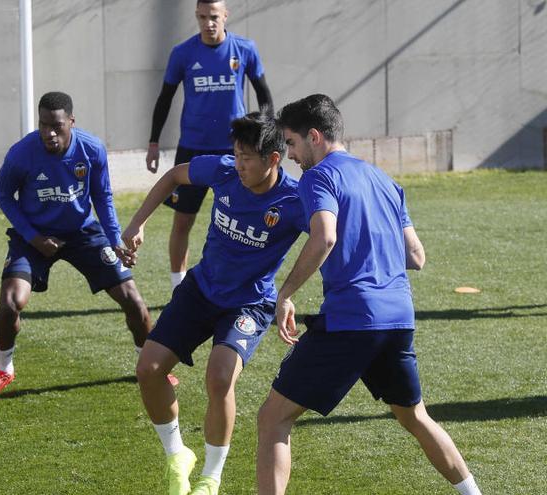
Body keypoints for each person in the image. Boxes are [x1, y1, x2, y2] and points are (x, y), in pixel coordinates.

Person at [255, 94, 482, 495]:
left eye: (290, 143)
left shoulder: (319, 177)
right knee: (414, 417)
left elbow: (324, 236)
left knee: (273, 418)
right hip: (398, 317)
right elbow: (416, 256)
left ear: (314, 137)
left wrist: (285, 293)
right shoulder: (384, 180)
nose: (289, 154)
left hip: (351, 319)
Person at [124, 113, 306, 495]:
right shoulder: (223, 171)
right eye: (236, 154)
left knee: (220, 377)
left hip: (249, 304)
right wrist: (138, 222)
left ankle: (211, 477)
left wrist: (288, 294)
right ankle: (177, 455)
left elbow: (328, 235)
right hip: (201, 289)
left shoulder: (294, 201)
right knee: (148, 369)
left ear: (274, 159)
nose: (238, 164)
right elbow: (175, 175)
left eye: (247, 158)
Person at [0, 91, 162, 397]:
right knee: (10, 304)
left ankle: (148, 367)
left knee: (134, 301)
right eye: (43, 124)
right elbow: (3, 194)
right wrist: (33, 236)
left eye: (57, 125)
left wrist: (115, 240)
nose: (49, 132)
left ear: (71, 122)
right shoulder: (21, 153)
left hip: (82, 232)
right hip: (33, 234)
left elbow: (102, 196)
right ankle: (3, 369)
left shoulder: (91, 149)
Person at [145, 0, 273, 291]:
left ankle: (244, 280)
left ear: (225, 15)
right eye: (202, 17)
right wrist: (153, 142)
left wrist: (265, 139)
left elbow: (264, 96)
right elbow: (164, 99)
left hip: (236, 150)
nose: (208, 23)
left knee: (245, 218)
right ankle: (179, 285)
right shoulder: (183, 53)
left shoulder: (245, 49)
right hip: (193, 147)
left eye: (214, 17)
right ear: (197, 17)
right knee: (183, 220)